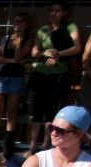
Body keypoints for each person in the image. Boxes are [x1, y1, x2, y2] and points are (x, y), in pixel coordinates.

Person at [28, 3, 81, 156]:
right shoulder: (43, 30)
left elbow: (77, 47)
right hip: (40, 75)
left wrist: (58, 54)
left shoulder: (69, 27)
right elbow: (34, 52)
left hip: (58, 76)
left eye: (58, 10)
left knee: (52, 112)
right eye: (51, 10)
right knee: (37, 111)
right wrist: (47, 53)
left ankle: (46, 146)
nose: (54, 13)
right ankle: (32, 147)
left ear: (64, 13)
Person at [0, 13, 33, 158]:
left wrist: (20, 40)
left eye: (21, 21)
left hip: (15, 78)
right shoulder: (5, 39)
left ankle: (8, 144)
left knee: (11, 113)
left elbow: (19, 56)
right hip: (1, 77)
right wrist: (13, 61)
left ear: (26, 25)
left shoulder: (27, 40)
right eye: (16, 21)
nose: (18, 24)